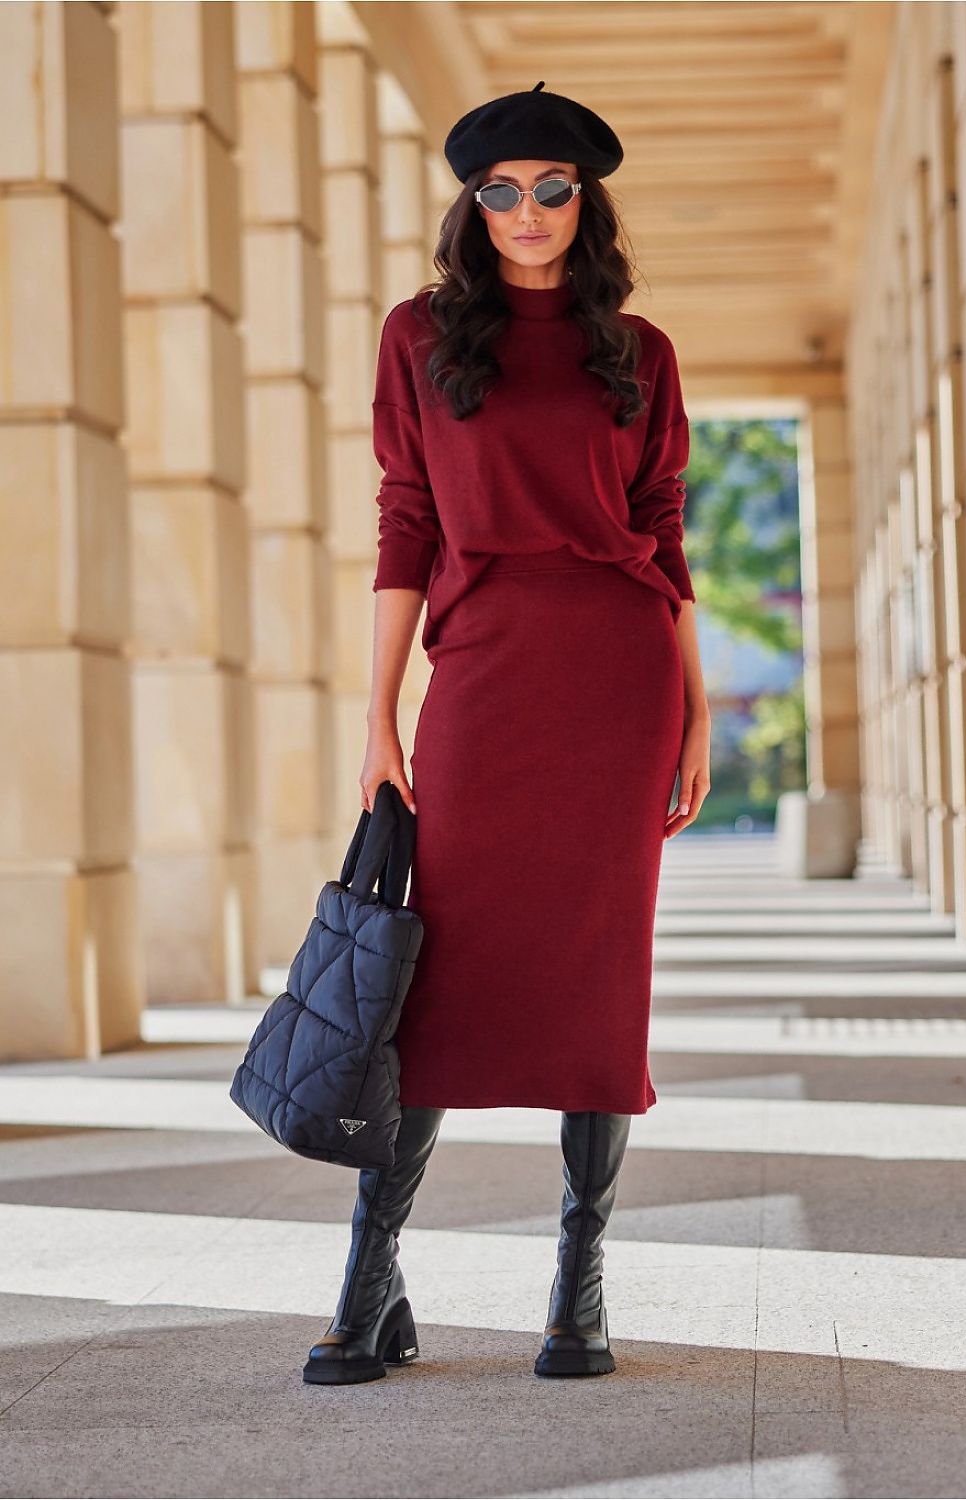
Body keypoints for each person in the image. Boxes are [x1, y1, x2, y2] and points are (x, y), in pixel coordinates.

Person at [304, 82, 711, 1387]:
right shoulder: (420, 339)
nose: (527, 212)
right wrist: (375, 710)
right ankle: (374, 1280)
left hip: (618, 675)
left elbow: (663, 528)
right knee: (441, 976)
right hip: (479, 676)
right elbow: (404, 520)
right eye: (501, 190)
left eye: (552, 189)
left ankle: (578, 1287)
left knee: (602, 980)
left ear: (583, 202)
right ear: (470, 205)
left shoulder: (638, 352)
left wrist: (697, 709)